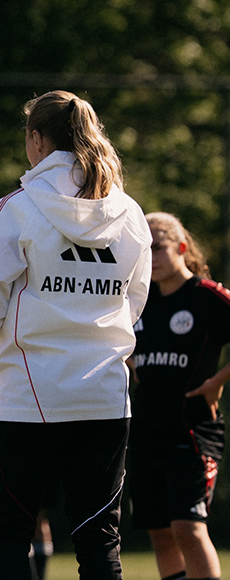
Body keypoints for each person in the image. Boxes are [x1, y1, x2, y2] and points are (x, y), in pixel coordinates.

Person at [0, 90, 152, 580]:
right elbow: (134, 302)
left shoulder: (19, 207)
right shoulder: (130, 213)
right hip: (104, 397)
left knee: (9, 536)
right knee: (98, 540)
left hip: (27, 400)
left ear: (37, 139)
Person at [127, 211, 229, 580]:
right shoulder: (137, 300)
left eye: (158, 247)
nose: (150, 256)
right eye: (144, 249)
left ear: (182, 248)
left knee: (188, 527)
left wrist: (216, 381)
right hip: (145, 432)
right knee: (161, 533)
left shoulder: (206, 296)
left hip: (192, 431)